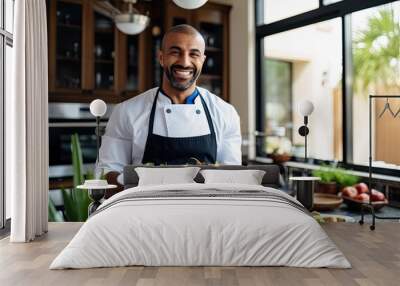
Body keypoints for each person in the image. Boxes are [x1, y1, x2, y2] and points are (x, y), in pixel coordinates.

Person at [98, 24, 241, 191]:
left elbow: (233, 179)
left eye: (194, 54)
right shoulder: (127, 112)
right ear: (161, 58)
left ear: (202, 60)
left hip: (206, 212)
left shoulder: (225, 113)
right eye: (175, 52)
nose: (185, 62)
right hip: (146, 212)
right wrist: (142, 181)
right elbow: (106, 174)